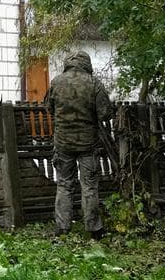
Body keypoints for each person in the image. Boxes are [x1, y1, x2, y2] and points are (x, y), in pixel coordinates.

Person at [46, 51, 115, 239]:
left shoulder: (56, 82)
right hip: (88, 144)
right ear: (87, 63)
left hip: (63, 144)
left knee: (64, 185)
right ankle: (94, 229)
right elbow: (105, 114)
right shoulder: (94, 83)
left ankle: (62, 228)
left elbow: (49, 108)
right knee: (89, 186)